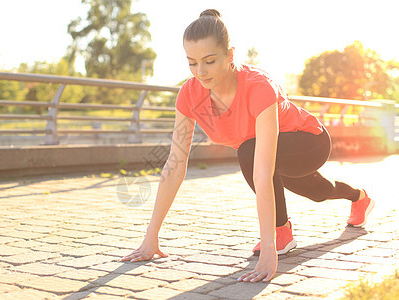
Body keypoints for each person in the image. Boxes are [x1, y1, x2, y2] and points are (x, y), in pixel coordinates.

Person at [121, 9, 375, 283]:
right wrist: (151, 238)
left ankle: (282, 234)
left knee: (250, 152)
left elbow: (262, 171)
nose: (200, 72)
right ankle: (360, 198)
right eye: (192, 63)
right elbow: (174, 165)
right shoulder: (190, 94)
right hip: (265, 152)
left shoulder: (258, 87)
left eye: (209, 61)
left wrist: (269, 248)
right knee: (318, 191)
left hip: (308, 141)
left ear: (230, 55)